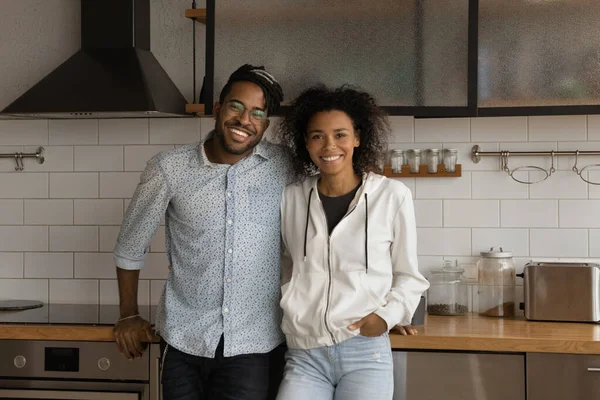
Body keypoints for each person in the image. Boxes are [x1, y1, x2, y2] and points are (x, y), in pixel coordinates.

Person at [112, 64, 292, 400]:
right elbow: (130, 246)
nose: (244, 120)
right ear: (218, 109)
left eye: (257, 112)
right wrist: (128, 314)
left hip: (253, 345)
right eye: (236, 106)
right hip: (183, 341)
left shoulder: (286, 166)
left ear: (266, 124)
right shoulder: (169, 168)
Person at [275, 85, 430, 400]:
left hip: (364, 352)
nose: (329, 145)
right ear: (305, 142)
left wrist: (388, 316)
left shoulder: (392, 196)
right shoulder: (291, 197)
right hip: (305, 354)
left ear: (357, 138)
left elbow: (409, 275)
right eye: (317, 135)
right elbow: (285, 266)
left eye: (340, 134)